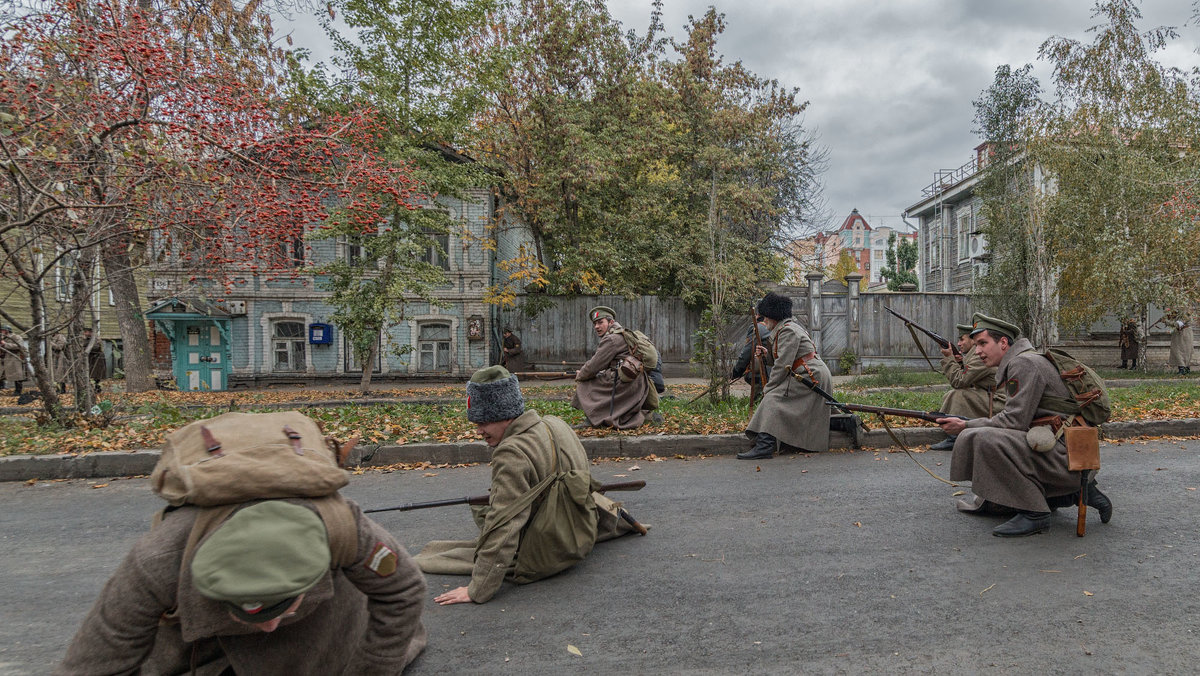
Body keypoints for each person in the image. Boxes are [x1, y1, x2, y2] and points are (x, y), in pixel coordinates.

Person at [55, 498, 428, 674]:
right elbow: (92, 665)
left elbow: (404, 590)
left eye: (276, 608)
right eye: (250, 611)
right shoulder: (158, 561)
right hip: (206, 646)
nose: (267, 624)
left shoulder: (342, 528)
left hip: (323, 630)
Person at [415, 366, 634, 604]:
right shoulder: (555, 424)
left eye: (483, 422)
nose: (478, 431)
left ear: (504, 413)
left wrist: (477, 589)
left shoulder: (511, 453)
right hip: (582, 526)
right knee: (483, 511)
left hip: (552, 545)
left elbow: (506, 524)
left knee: (445, 552)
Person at [936, 314, 1113, 538]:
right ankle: (1077, 491)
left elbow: (1013, 421)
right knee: (986, 434)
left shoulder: (1023, 363)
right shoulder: (1025, 359)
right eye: (977, 344)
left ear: (1003, 343)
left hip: (1065, 458)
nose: (977, 351)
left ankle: (1034, 513)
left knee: (985, 438)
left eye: (983, 343)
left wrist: (966, 425)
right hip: (1072, 456)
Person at [739, 292, 832, 459]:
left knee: (772, 399)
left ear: (774, 316)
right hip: (807, 374)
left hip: (810, 376)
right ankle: (766, 442)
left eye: (765, 317)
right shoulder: (785, 329)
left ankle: (765, 446)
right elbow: (783, 357)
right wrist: (767, 354)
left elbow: (782, 365)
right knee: (776, 398)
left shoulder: (787, 331)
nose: (763, 320)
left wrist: (769, 388)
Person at [928, 322, 1006, 450]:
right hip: (988, 395)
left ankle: (956, 437)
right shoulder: (973, 355)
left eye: (962, 339)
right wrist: (959, 362)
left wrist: (949, 358)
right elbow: (969, 376)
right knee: (952, 394)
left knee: (958, 395)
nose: (959, 344)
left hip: (998, 401)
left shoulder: (978, 357)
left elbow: (959, 381)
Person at [570, 306, 650, 429]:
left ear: (611, 322)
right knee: (600, 377)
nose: (596, 326)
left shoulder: (612, 339)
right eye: (595, 323)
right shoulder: (623, 334)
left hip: (624, 381)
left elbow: (593, 366)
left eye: (600, 322)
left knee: (585, 384)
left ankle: (593, 418)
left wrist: (580, 375)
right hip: (637, 381)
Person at [730, 317, 773, 400]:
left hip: (764, 372)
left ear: (757, 315)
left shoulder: (757, 328)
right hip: (776, 371)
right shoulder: (775, 327)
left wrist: (736, 371)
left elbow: (747, 352)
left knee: (760, 399)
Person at [1, 326, 27, 395]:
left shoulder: (16, 337)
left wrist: (5, 344)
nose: (1, 331)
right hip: (3, 359)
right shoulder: (2, 338)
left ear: (7, 331)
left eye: (2, 330)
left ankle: (18, 391)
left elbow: (19, 346)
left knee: (17, 376)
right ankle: (2, 388)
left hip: (14, 359)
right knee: (1, 375)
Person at [84, 327, 105, 393]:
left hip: (97, 358)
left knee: (97, 374)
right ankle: (89, 388)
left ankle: (97, 387)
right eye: (85, 332)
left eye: (87, 332)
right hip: (89, 358)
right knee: (88, 373)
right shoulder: (84, 339)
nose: (86, 333)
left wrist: (86, 347)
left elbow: (96, 347)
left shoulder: (96, 339)